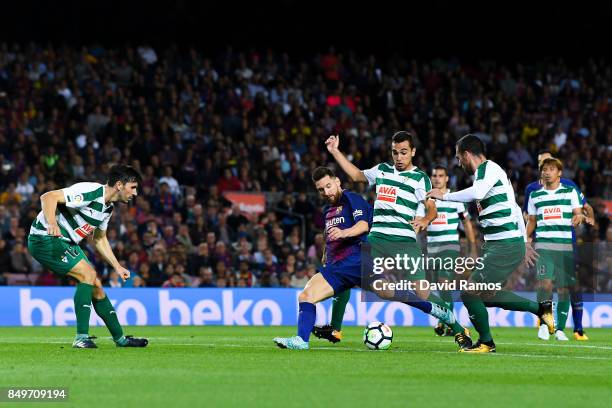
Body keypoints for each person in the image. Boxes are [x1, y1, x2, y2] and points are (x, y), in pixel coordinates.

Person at [313, 131, 473, 349]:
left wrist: (425, 220)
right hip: (377, 240)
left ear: (413, 152)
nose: (398, 157)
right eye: (395, 152)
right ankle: (335, 329)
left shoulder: (420, 179)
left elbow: (431, 209)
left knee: (422, 292)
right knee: (345, 271)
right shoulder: (382, 171)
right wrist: (335, 151)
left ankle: (457, 329)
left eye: (403, 153)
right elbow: (357, 175)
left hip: (404, 242)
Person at [427, 134, 554, 353]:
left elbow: (477, 193)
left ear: (467, 155)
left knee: (469, 294)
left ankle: (486, 342)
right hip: (503, 244)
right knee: (485, 294)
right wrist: (523, 242)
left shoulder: (487, 170)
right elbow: (515, 209)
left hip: (504, 244)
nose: (458, 163)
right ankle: (541, 309)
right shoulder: (489, 174)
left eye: (459, 158)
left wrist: (444, 195)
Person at [27, 164, 149, 348]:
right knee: (88, 275)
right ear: (119, 185)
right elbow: (48, 197)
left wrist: (117, 266)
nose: (135, 193)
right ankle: (80, 337)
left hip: (66, 241)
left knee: (97, 285)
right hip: (44, 238)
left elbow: (99, 239)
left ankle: (121, 339)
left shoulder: (108, 209)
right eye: (133, 187)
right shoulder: (90, 192)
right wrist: (52, 223)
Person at [273, 166, 372, 350]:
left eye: (328, 186)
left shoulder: (351, 199)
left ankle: (442, 313)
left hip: (362, 259)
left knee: (401, 292)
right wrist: (327, 252)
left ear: (337, 182)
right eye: (321, 189)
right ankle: (310, 337)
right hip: (340, 264)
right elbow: (329, 235)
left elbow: (363, 226)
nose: (326, 192)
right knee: (307, 295)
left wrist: (344, 233)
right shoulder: (328, 210)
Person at [523, 149, 594, 341]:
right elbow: (531, 220)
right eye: (544, 169)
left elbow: (578, 211)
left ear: (559, 173)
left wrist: (579, 216)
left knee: (563, 288)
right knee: (544, 284)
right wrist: (526, 240)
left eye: (551, 169)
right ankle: (545, 325)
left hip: (565, 247)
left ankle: (560, 329)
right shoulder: (535, 195)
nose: (547, 172)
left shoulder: (570, 191)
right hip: (544, 247)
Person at [423, 165, 476, 337]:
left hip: (450, 246)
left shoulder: (455, 199)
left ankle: (443, 321)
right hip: (432, 248)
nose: (437, 178)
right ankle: (449, 322)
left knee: (444, 280)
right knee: (440, 286)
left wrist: (472, 247)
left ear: (446, 179)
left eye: (441, 175)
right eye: (434, 175)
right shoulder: (426, 199)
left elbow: (466, 223)